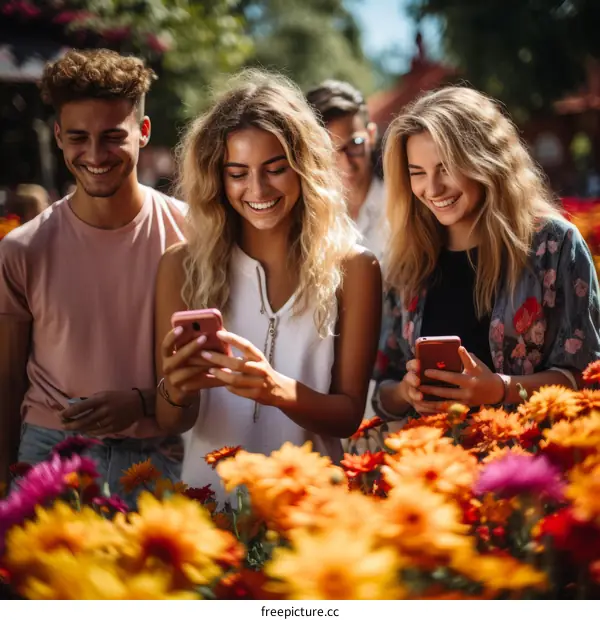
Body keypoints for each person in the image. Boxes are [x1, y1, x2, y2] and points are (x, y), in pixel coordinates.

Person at [154, 69, 382, 501]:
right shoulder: (180, 266)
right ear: (216, 177)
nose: (256, 189)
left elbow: (349, 414)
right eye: (237, 173)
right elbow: (171, 420)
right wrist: (176, 388)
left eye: (275, 169)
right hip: (209, 510)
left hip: (310, 508)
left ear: (304, 168)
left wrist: (278, 390)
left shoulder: (355, 267)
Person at [0, 49, 187, 501]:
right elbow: (6, 381)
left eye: (112, 136)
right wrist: (6, 481)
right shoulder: (23, 247)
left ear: (143, 132)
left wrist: (143, 401)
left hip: (157, 452)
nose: (95, 154)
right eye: (79, 137)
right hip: (49, 453)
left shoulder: (191, 231)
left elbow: (203, 368)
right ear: (60, 137)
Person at [372, 86, 600, 419]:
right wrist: (405, 392)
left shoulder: (554, 245)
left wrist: (501, 389)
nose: (432, 189)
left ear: (486, 160)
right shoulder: (409, 259)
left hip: (530, 462)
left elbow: (589, 376)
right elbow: (383, 387)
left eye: (446, 168)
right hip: (434, 463)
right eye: (417, 173)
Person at [306, 80, 387, 261]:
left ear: (371, 136)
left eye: (355, 144)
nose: (345, 163)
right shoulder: (306, 218)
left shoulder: (401, 208)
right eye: (329, 151)